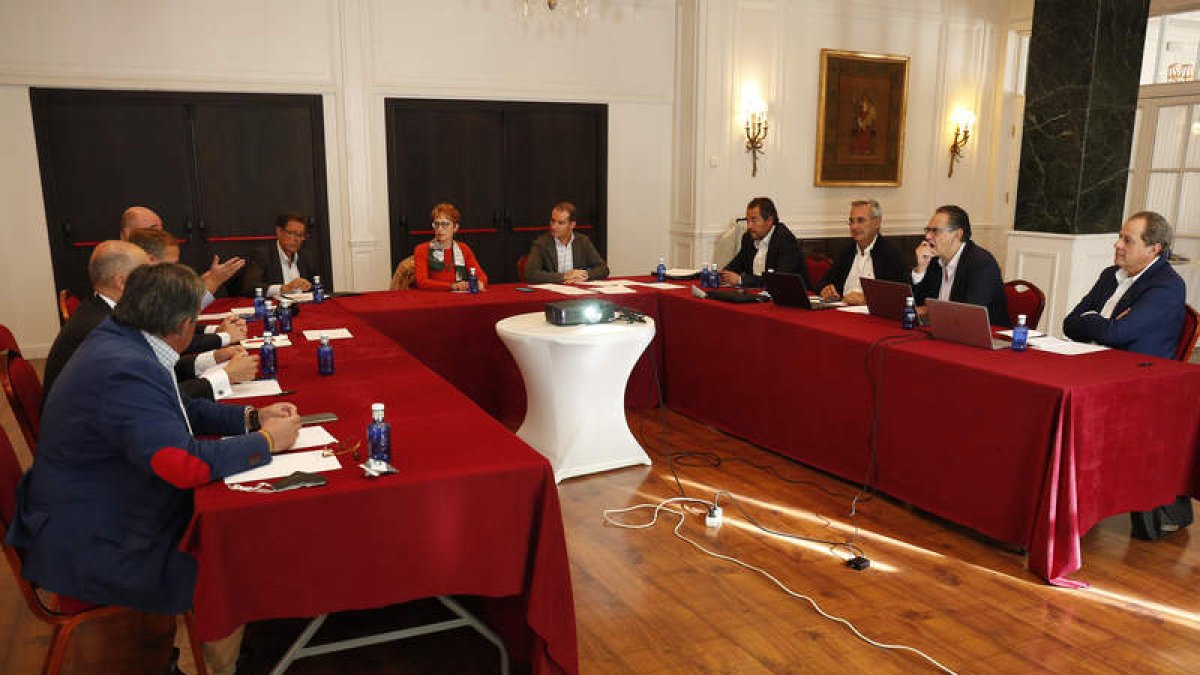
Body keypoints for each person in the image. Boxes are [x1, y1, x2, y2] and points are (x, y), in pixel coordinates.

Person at [6, 262, 301, 675]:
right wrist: (268, 442)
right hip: (96, 538)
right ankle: (218, 664)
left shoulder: (123, 340)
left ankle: (230, 643)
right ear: (184, 323)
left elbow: (177, 408)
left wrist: (251, 418)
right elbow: (184, 466)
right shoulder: (124, 368)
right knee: (228, 542)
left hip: (89, 504)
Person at [1063, 210, 1191, 540]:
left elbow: (1116, 334)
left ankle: (1075, 503)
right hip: (1095, 365)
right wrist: (1101, 325)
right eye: (1120, 237)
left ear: (1154, 249)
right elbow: (1069, 323)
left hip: (1137, 383)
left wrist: (1096, 323)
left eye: (1127, 240)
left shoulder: (1166, 286)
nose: (1117, 245)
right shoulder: (1111, 274)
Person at [44, 239, 257, 401]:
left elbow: (157, 368)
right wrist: (224, 377)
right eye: (147, 273)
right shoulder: (100, 329)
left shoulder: (108, 311)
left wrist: (214, 358)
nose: (155, 280)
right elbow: (156, 396)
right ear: (122, 282)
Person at [121, 205, 245, 303]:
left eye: (161, 227)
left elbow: (178, 295)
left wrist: (209, 278)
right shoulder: (122, 268)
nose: (161, 233)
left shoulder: (165, 254)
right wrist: (212, 281)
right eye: (152, 230)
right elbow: (174, 313)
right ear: (127, 234)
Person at [911, 205, 1009, 327]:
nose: (928, 236)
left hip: (982, 337)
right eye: (928, 230)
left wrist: (926, 309)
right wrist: (921, 269)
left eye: (935, 231)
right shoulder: (934, 260)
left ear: (957, 234)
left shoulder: (981, 264)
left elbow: (969, 313)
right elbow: (913, 304)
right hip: (941, 330)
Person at [817, 199, 908, 305]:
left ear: (877, 222)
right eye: (851, 221)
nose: (854, 227)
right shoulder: (846, 252)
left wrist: (868, 299)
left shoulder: (890, 254)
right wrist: (826, 289)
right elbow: (823, 282)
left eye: (860, 220)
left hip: (872, 316)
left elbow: (898, 295)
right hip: (842, 311)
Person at [720, 196, 807, 288]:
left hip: (790, 296)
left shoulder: (785, 241)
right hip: (758, 295)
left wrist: (741, 280)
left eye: (754, 220)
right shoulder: (748, 238)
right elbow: (736, 264)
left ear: (769, 220)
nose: (749, 226)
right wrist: (723, 275)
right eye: (747, 220)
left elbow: (778, 280)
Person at [237, 211, 320, 298]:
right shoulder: (263, 255)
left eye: (300, 235)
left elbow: (318, 287)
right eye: (291, 233)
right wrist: (284, 288)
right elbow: (250, 288)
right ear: (279, 231)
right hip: (276, 308)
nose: (296, 239)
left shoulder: (307, 258)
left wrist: (310, 287)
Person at [523, 201, 609, 284]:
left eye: (560, 223)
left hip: (578, 292)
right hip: (552, 293)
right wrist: (564, 276)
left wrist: (585, 275)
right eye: (553, 221)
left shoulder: (583, 241)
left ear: (572, 225)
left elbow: (603, 269)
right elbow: (531, 274)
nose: (554, 226)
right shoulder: (541, 243)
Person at [413, 202, 489, 291]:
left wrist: (479, 283)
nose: (439, 229)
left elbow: (481, 276)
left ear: (455, 227)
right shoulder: (422, 249)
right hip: (433, 299)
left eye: (445, 224)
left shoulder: (464, 249)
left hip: (460, 299)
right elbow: (421, 282)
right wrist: (452, 286)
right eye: (436, 224)